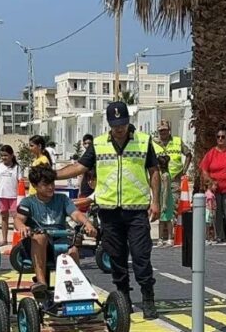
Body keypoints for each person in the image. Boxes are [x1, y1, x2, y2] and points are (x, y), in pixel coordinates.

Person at [54, 101, 162, 319]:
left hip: (136, 209)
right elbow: (81, 167)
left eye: (122, 123)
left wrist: (156, 201)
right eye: (115, 124)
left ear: (128, 121)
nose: (119, 128)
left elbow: (154, 171)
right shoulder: (99, 143)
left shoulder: (143, 141)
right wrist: (53, 175)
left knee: (141, 257)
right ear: (109, 123)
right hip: (109, 211)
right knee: (116, 257)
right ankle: (123, 297)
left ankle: (148, 298)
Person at [15, 166, 97, 298]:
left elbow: (75, 214)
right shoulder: (28, 202)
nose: (50, 187)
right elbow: (18, 219)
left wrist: (87, 223)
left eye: (52, 183)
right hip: (35, 243)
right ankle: (41, 283)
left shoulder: (62, 199)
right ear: (35, 186)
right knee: (40, 237)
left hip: (59, 240)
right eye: (45, 184)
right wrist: (22, 227)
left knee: (73, 251)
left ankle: (74, 289)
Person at [153, 119, 191, 247]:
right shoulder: (154, 144)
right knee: (160, 205)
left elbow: (188, 154)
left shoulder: (177, 141)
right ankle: (163, 235)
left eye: (165, 130)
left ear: (169, 130)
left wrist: (184, 171)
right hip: (159, 178)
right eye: (160, 131)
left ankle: (170, 234)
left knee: (172, 205)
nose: (163, 133)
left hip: (174, 178)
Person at [0, 144, 22, 246]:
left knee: (17, 218)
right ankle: (4, 239)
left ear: (11, 155)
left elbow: (20, 181)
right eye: (2, 155)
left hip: (13, 196)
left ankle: (18, 239)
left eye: (6, 155)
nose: (4, 158)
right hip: (1, 196)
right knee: (4, 217)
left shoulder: (17, 167)